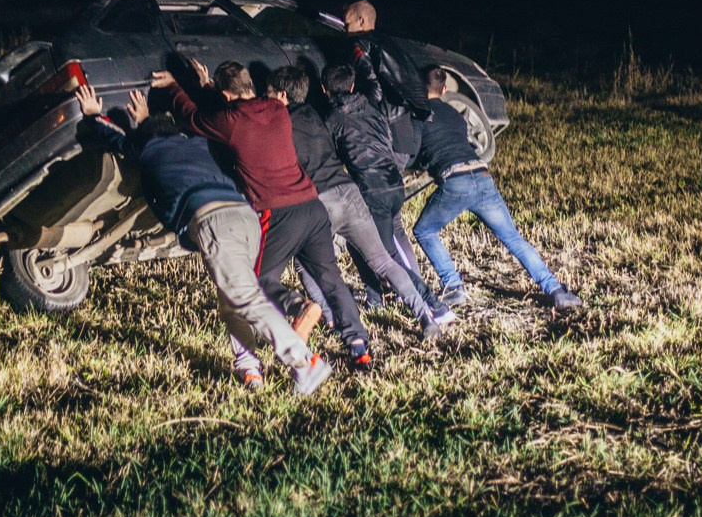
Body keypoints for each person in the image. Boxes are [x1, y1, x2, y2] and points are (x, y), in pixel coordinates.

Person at [75, 85, 331, 395]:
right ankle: (249, 368)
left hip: (213, 222)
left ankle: (303, 362)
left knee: (244, 297)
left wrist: (93, 114)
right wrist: (149, 116)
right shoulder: (198, 143)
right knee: (231, 299)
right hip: (245, 217)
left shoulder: (148, 149)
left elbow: (112, 136)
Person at [151, 58, 377, 370]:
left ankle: (297, 307)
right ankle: (359, 346)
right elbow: (232, 108)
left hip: (280, 212)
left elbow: (193, 117)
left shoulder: (231, 122)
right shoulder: (277, 109)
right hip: (312, 206)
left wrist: (175, 87)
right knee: (331, 278)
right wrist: (208, 86)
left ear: (225, 96)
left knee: (257, 281)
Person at [267, 65, 448, 342]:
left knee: (306, 265)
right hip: (352, 192)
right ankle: (425, 316)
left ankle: (329, 318)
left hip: (322, 202)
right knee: (383, 261)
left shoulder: (289, 123)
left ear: (281, 95)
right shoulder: (321, 115)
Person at [412, 68, 583, 310]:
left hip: (455, 181)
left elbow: (416, 153)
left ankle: (453, 287)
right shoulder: (455, 113)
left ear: (420, 88)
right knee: (513, 238)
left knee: (425, 230)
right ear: (445, 89)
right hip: (482, 176)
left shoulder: (417, 115)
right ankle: (556, 290)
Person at [321, 64, 453, 319]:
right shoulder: (372, 107)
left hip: (373, 191)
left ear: (324, 89)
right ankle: (375, 298)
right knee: (359, 243)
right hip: (394, 182)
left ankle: (434, 305)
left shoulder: (332, 120)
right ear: (352, 86)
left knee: (387, 258)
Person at [342, 0, 432, 168]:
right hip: (402, 116)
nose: (344, 30)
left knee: (389, 169)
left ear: (361, 21)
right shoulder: (389, 42)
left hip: (385, 120)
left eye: (347, 24)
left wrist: (364, 116)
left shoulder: (359, 43)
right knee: (400, 165)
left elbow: (373, 88)